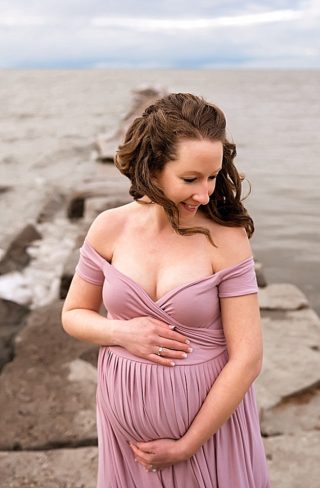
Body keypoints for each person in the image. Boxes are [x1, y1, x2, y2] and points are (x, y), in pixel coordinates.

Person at [61, 93, 269, 487]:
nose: (205, 193)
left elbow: (248, 358)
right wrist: (122, 332)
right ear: (153, 168)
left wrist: (187, 444)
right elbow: (73, 314)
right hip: (125, 438)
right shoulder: (110, 227)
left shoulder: (227, 238)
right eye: (190, 179)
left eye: (212, 176)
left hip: (207, 436)